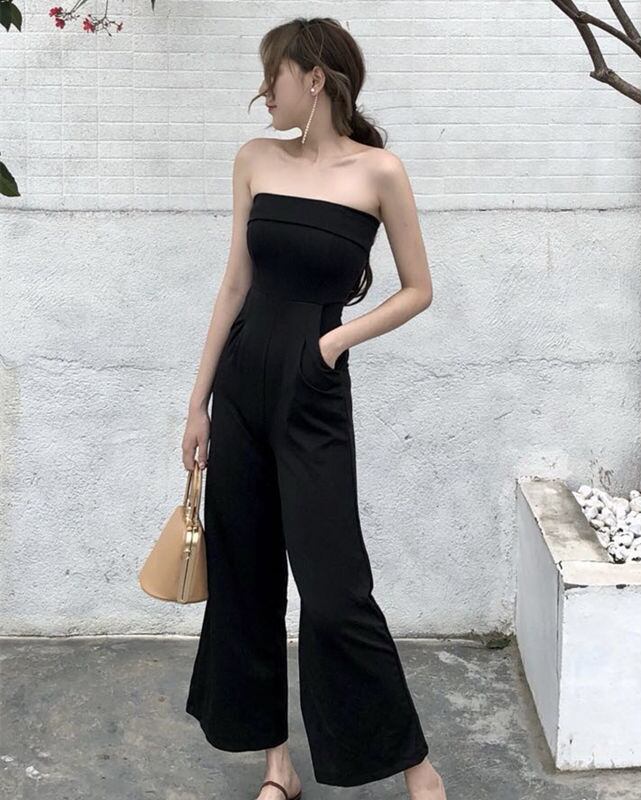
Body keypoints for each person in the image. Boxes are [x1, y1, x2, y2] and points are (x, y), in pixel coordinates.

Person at [180, 16, 446, 800]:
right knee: (246, 580)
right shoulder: (255, 160)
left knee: (334, 593)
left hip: (312, 390)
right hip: (242, 385)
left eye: (275, 75)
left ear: (315, 78)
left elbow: (419, 289)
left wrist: (334, 342)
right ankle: (277, 767)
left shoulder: (379, 172)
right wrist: (197, 404)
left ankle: (418, 769)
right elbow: (235, 283)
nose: (264, 92)